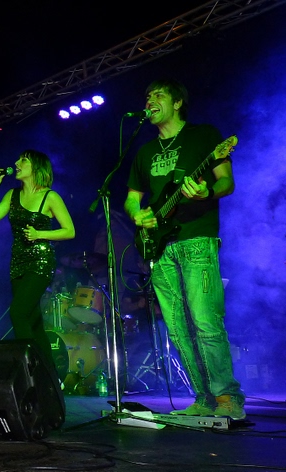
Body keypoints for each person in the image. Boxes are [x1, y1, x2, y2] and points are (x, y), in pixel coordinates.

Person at [123, 78, 246, 420]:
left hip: (196, 239)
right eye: (147, 95)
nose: (150, 100)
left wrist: (208, 192)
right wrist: (139, 215)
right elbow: (132, 198)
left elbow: (227, 181)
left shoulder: (203, 136)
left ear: (177, 102)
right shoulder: (145, 151)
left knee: (205, 321)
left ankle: (227, 398)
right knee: (177, 329)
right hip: (160, 247)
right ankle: (203, 398)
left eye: (158, 95)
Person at [0, 149, 75, 368]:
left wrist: (39, 234)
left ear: (36, 167)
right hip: (18, 262)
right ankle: (50, 376)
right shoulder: (12, 195)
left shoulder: (50, 196)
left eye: (23, 160)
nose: (16, 163)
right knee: (34, 322)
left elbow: (70, 231)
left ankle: (31, 369)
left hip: (40, 262)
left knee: (18, 313)